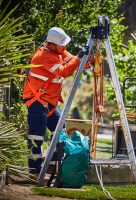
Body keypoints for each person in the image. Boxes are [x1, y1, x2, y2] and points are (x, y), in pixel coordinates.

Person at [23, 27, 89, 174]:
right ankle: (34, 169)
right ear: (51, 44)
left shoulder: (57, 51)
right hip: (37, 102)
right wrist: (79, 58)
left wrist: (84, 61)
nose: (64, 47)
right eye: (61, 45)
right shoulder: (43, 57)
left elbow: (71, 60)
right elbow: (64, 71)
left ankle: (52, 165)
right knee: (36, 136)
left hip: (49, 102)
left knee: (60, 131)